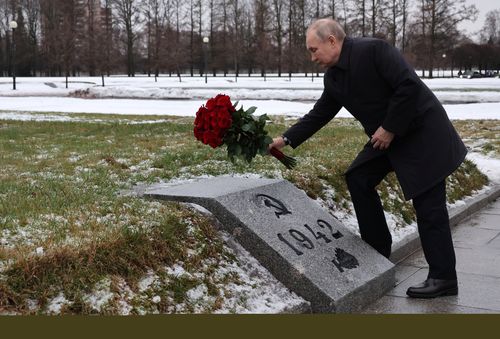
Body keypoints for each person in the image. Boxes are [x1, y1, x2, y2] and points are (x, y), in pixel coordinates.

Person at [269, 18, 467, 299]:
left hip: (422, 133)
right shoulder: (334, 76)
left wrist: (388, 128)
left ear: (332, 41)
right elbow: (321, 112)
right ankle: (378, 254)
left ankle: (444, 277)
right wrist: (286, 139)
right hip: (389, 138)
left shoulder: (375, 51)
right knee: (359, 177)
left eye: (314, 50)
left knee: (429, 208)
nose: (312, 57)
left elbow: (408, 86)